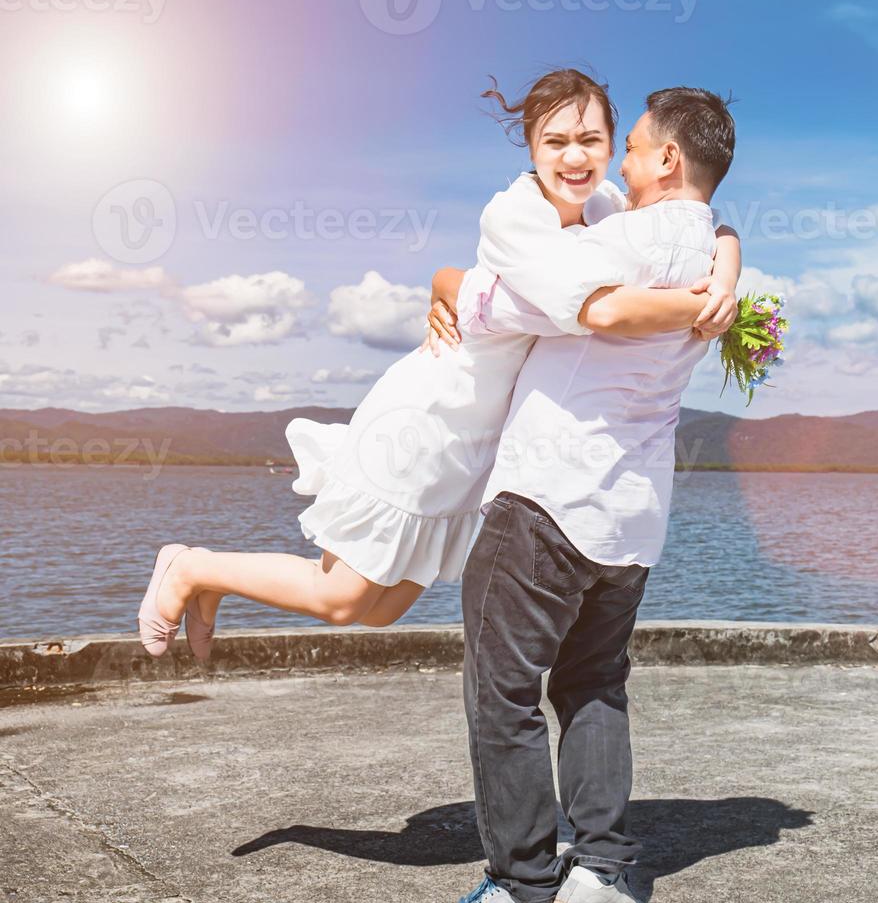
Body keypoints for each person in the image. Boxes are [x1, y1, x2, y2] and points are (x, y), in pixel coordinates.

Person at [135, 69, 739, 660]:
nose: (574, 157)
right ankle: (190, 567)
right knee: (342, 599)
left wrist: (728, 263)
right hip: (433, 416)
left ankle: (209, 578)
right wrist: (702, 304)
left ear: (613, 147)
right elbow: (594, 311)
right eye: (554, 142)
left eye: (593, 142)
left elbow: (699, 219)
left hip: (476, 450)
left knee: (382, 610)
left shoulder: (607, 205)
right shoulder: (515, 216)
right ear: (531, 147)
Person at [418, 86, 738, 903]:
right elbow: (718, 231)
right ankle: (600, 871)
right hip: (633, 516)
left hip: (546, 500)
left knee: (503, 694)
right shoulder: (709, 247)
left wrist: (448, 283)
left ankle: (521, 889)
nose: (618, 163)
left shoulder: (613, 240)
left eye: (627, 146)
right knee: (594, 684)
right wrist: (728, 269)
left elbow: (545, 299)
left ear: (667, 160)